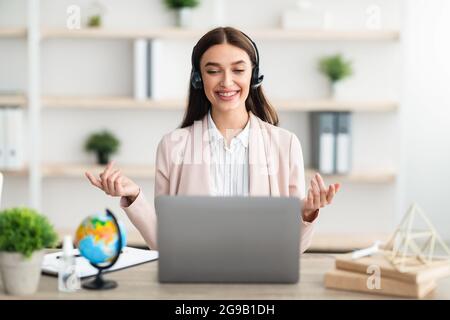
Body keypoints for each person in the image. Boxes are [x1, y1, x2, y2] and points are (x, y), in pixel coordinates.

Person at [85, 26, 340, 253]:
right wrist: (134, 196)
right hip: (193, 284)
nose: (226, 82)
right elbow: (164, 243)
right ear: (199, 78)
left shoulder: (285, 145)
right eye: (213, 71)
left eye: (238, 70)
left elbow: (292, 249)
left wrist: (306, 214)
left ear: (254, 75)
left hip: (263, 284)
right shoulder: (173, 146)